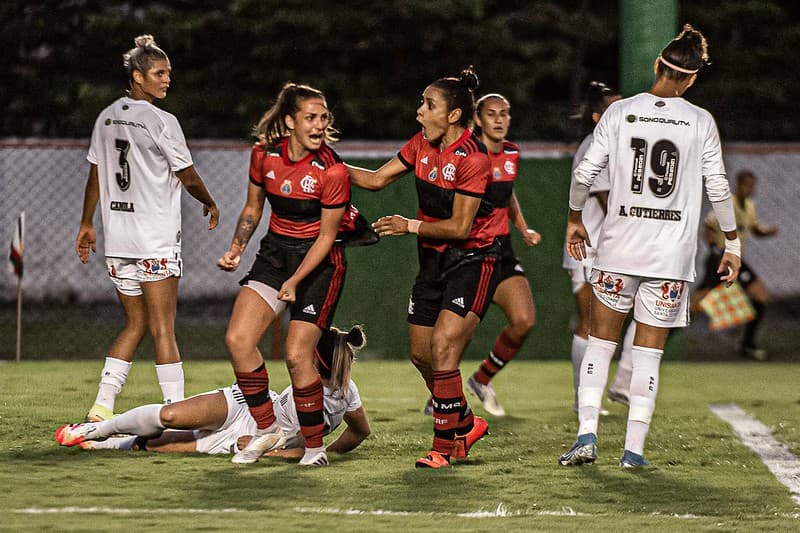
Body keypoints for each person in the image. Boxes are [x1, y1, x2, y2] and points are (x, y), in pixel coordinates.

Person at [559, 24, 741, 468]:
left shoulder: (621, 112)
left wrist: (574, 220)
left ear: (658, 65)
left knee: (601, 344)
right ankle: (633, 451)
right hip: (669, 259)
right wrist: (733, 243)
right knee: (647, 354)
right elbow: (717, 185)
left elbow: (585, 175)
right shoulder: (701, 122)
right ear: (693, 78)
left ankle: (586, 436)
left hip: (619, 249)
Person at [348, 67, 494, 469]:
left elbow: (462, 228)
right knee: (420, 354)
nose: (419, 112)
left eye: (428, 105)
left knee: (444, 349)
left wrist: (408, 225)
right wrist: (327, 167)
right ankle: (464, 423)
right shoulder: (421, 145)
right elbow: (377, 180)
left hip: (471, 261)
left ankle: (442, 447)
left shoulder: (474, 158)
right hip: (431, 262)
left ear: (452, 116)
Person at [76, 35, 219, 422]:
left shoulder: (106, 116)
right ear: (137, 76)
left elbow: (96, 173)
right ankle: (178, 412)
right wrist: (208, 201)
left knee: (135, 323)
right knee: (163, 328)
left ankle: (102, 405)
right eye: (159, 73)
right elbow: (187, 176)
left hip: (119, 243)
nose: (166, 80)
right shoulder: (162, 121)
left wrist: (88, 223)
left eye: (168, 73)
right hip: (154, 242)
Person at [216, 83, 352, 467]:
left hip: (321, 264)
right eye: (311, 117)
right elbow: (252, 209)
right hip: (275, 256)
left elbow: (327, 237)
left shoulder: (333, 169)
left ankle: (313, 448)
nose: (319, 124)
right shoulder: (264, 156)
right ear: (290, 120)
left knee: (296, 354)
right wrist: (236, 249)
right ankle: (267, 428)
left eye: (324, 117)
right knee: (238, 340)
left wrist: (294, 283)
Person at [55, 326, 370, 458]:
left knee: (162, 446)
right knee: (171, 415)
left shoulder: (341, 397)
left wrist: (270, 452)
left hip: (249, 437)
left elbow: (337, 437)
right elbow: (357, 432)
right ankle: (95, 429)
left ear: (315, 359)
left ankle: (108, 446)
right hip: (250, 407)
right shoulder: (339, 387)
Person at [462, 93, 541, 417]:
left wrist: (523, 227)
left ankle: (481, 379)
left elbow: (506, 195)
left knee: (524, 321)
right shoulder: (466, 153)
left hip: (501, 250)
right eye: (491, 114)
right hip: (467, 253)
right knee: (457, 335)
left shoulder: (511, 152)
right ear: (478, 119)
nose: (498, 119)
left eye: (504, 114)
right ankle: (443, 392)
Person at [563, 81, 635, 412]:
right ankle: (582, 398)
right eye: (612, 108)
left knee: (620, 321)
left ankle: (614, 386)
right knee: (589, 324)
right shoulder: (595, 145)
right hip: (588, 247)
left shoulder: (622, 147)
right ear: (597, 117)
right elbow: (608, 202)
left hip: (609, 249)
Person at [693, 170, 778, 360]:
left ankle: (747, 345)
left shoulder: (749, 206)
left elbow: (755, 229)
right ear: (738, 184)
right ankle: (666, 334)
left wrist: (767, 232)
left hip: (737, 260)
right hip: (720, 257)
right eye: (746, 184)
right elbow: (708, 227)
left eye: (752, 185)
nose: (749, 188)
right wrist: (715, 249)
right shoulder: (726, 203)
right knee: (697, 302)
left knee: (760, 295)